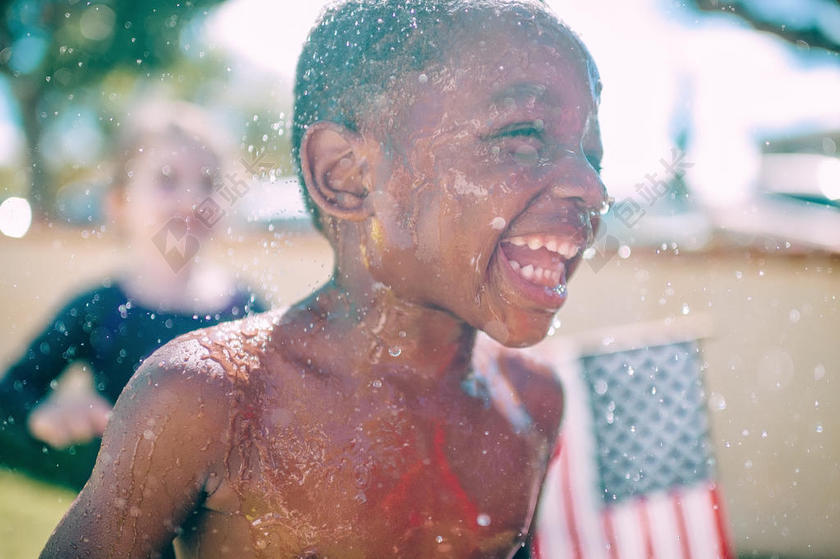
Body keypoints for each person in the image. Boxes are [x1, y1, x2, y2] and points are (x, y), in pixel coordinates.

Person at [42, 0, 608, 556]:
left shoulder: (532, 402)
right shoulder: (214, 399)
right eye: (523, 136)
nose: (592, 188)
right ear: (347, 175)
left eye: (592, 157)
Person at [0, 100, 267, 491]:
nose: (191, 201)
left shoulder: (247, 312)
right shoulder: (100, 310)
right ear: (120, 202)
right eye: (167, 179)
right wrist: (42, 415)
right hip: (120, 520)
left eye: (208, 183)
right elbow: (10, 395)